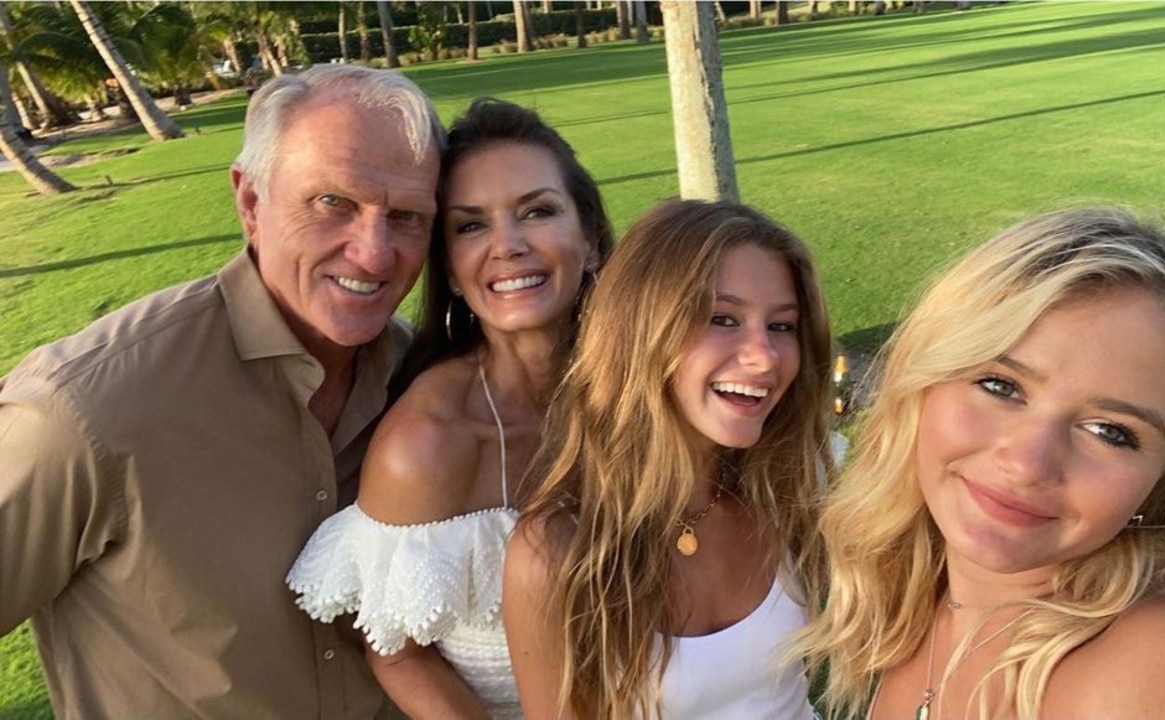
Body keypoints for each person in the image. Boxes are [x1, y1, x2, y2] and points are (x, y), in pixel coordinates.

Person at [0, 64, 443, 719]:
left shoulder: (426, 387)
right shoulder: (87, 410)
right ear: (250, 201)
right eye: (333, 203)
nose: (376, 254)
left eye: (406, 216)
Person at [800, 207, 1165, 720]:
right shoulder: (920, 601)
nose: (1028, 463)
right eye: (1000, 386)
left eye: (1111, 432)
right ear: (920, 385)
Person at [287, 97, 613, 720]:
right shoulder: (429, 440)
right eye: (471, 225)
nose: (507, 246)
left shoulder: (646, 390)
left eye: (537, 211)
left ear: (591, 240)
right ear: (455, 272)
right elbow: (397, 654)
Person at [504, 199, 835, 720]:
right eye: (722, 318)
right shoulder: (557, 551)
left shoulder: (784, 491)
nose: (765, 356)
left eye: (782, 326)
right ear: (640, 331)